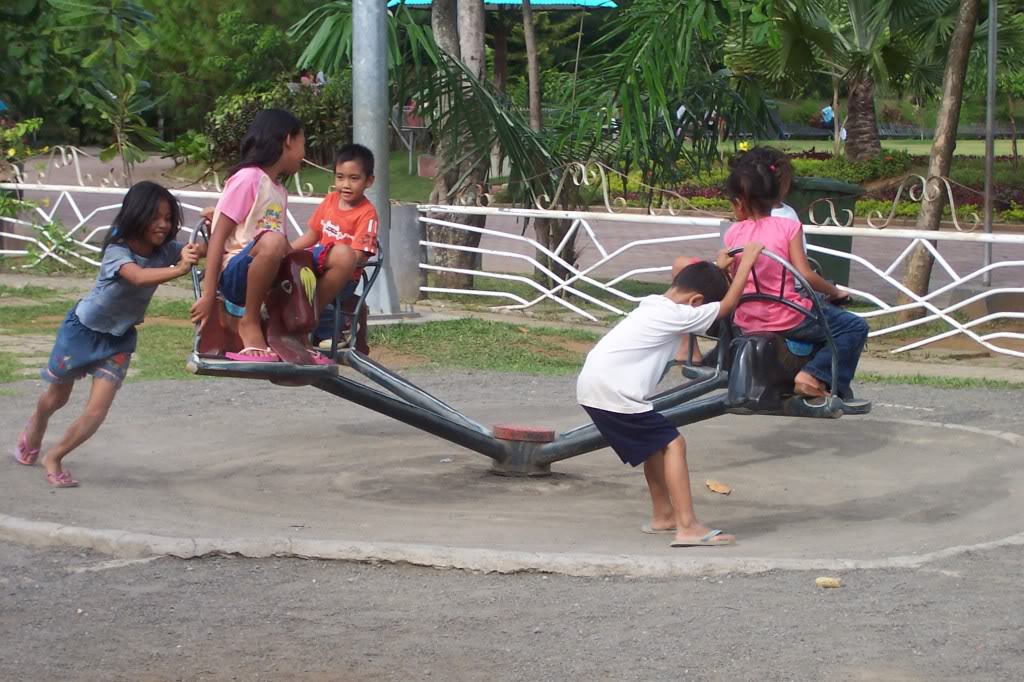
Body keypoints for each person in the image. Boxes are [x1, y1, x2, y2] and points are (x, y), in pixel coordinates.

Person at [14, 182, 202, 487]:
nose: (164, 225)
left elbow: (202, 247)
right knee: (55, 398)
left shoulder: (165, 250)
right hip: (81, 332)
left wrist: (215, 224)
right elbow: (138, 277)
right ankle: (37, 425)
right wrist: (179, 269)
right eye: (156, 217)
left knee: (97, 410)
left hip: (119, 338)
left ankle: (55, 456)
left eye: (168, 218)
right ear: (136, 215)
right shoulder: (117, 249)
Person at [577, 242, 764, 548]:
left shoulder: (655, 303)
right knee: (674, 443)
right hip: (614, 392)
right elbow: (727, 306)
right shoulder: (679, 315)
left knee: (655, 447)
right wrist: (747, 264)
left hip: (595, 387)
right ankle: (687, 526)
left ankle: (664, 514)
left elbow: (700, 287)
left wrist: (719, 268)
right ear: (697, 302)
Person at [721, 148, 867, 400]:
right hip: (787, 316)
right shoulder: (789, 226)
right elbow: (806, 274)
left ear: (739, 202)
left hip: (746, 317)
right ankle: (813, 375)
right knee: (854, 326)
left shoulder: (733, 234)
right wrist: (835, 291)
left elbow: (733, 279)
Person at [189, 109, 305, 362]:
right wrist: (208, 295)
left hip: (265, 272)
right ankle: (248, 321)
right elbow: (218, 236)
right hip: (235, 273)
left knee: (311, 260)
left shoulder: (279, 191)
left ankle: (307, 332)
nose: (304, 154)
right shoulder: (248, 179)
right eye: (302, 143)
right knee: (272, 240)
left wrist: (307, 262)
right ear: (288, 140)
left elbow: (282, 244)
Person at [289, 144, 379, 350]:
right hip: (320, 266)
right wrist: (288, 251)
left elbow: (359, 256)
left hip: (345, 276)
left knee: (310, 288)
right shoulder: (330, 200)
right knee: (291, 276)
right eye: (340, 177)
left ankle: (335, 330)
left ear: (369, 181)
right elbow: (313, 234)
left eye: (354, 178)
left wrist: (334, 261)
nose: (345, 184)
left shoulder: (367, 214)